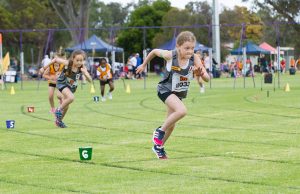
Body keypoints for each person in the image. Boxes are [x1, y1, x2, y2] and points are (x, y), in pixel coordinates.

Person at [136, 31, 210, 159]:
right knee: (182, 111)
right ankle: (159, 131)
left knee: (172, 125)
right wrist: (143, 65)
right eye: (186, 48)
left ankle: (158, 147)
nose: (190, 51)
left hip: (178, 94)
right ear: (178, 46)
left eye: (192, 48)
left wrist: (201, 73)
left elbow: (207, 79)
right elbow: (154, 51)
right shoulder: (170, 55)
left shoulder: (194, 58)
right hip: (165, 89)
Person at [41, 50, 93, 128]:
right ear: (73, 59)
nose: (79, 62)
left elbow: (90, 80)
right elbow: (55, 59)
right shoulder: (68, 63)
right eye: (77, 60)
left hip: (71, 87)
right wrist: (44, 67)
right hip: (62, 83)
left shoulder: (82, 67)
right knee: (71, 97)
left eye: (81, 60)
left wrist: (85, 73)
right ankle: (58, 110)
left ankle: (59, 121)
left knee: (67, 106)